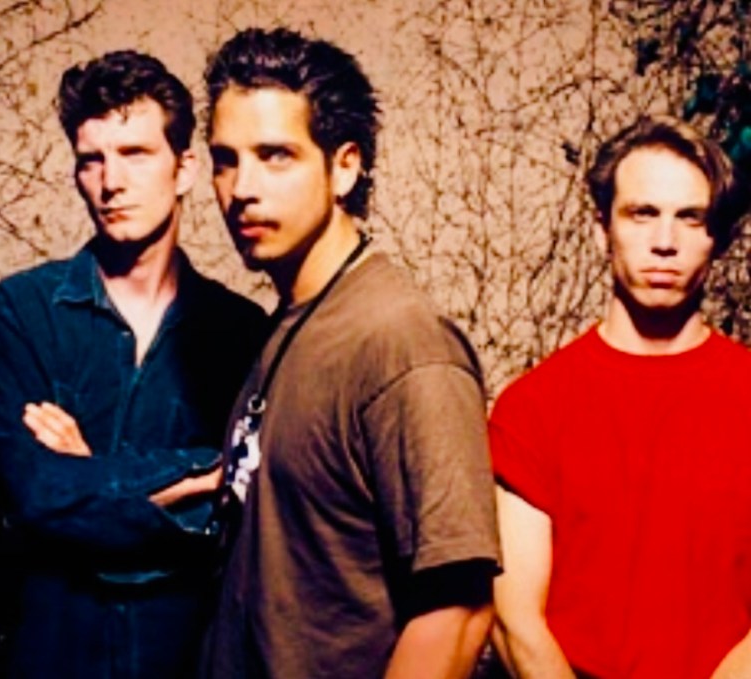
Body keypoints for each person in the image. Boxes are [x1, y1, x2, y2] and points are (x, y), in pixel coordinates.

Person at [200, 27, 501, 679]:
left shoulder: (401, 343)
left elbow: (458, 610)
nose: (241, 187)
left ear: (344, 166)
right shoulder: (290, 324)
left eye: (275, 155)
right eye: (225, 159)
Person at [0, 50, 266, 679]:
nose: (111, 182)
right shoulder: (24, 310)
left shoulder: (241, 332)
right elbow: (34, 493)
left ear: (184, 169)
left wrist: (90, 475)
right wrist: (192, 479)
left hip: (184, 661)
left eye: (135, 153)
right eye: (92, 159)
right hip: (50, 657)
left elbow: (242, 510)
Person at [490, 116, 751, 678]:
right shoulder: (533, 409)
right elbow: (516, 622)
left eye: (690, 218)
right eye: (642, 213)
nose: (665, 242)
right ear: (601, 229)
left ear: (717, 239)